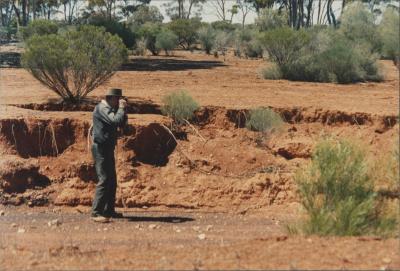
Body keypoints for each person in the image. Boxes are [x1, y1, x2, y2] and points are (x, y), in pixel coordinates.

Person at [91, 88, 127, 223]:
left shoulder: (111, 109)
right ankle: (96, 213)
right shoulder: (102, 108)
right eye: (117, 99)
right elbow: (114, 121)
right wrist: (122, 109)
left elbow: (122, 123)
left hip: (107, 148)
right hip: (100, 148)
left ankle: (108, 211)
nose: (119, 101)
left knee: (112, 180)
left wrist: (124, 111)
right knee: (104, 179)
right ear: (110, 98)